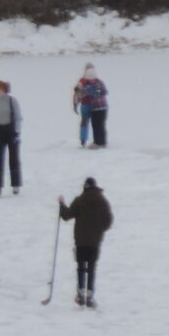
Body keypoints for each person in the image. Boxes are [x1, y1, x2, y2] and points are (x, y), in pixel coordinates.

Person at [58, 177, 113, 308]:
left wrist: (61, 205)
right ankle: (90, 295)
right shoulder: (102, 202)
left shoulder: (80, 201)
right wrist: (99, 230)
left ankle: (80, 293)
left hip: (81, 241)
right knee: (92, 267)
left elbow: (66, 215)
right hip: (95, 242)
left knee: (81, 267)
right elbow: (108, 220)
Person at [0, 79, 23, 189]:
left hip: (11, 131)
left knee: (14, 159)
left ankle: (15, 185)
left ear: (2, 89)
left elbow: (18, 118)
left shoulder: (12, 101)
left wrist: (16, 133)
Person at [73, 65, 109, 148]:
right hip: (92, 106)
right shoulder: (85, 82)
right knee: (94, 124)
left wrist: (76, 101)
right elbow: (79, 94)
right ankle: (86, 140)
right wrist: (76, 101)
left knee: (96, 124)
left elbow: (79, 94)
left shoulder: (97, 82)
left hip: (95, 107)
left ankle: (98, 142)